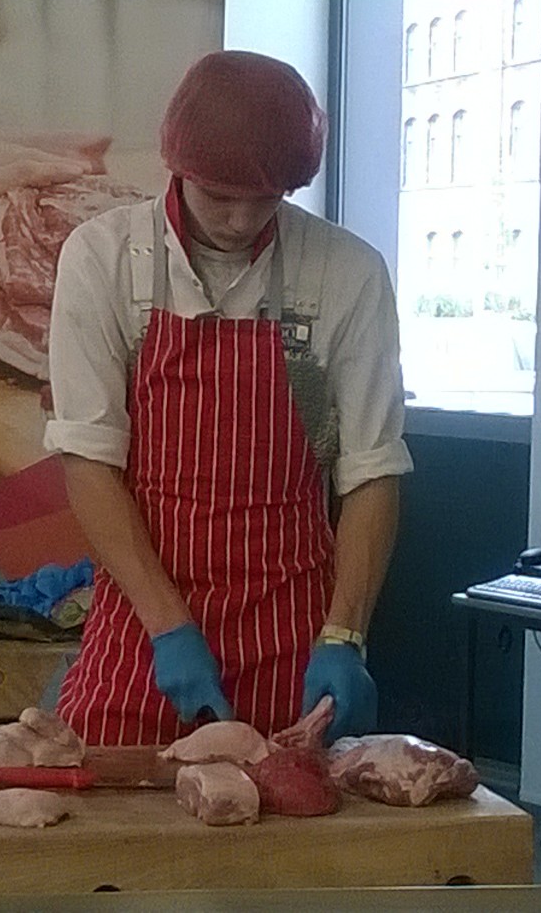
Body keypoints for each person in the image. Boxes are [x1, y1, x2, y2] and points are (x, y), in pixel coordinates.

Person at [43, 50, 413, 746]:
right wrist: (169, 627)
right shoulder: (104, 258)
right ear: (176, 167)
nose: (242, 220)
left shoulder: (347, 271)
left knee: (292, 808)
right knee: (107, 802)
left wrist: (345, 634)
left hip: (293, 629)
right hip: (145, 627)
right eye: (220, 197)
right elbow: (89, 463)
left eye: (266, 199)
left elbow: (371, 472)